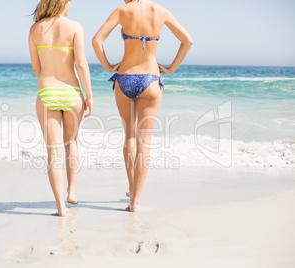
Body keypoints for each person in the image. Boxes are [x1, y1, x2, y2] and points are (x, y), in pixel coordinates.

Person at [92, 0, 192, 212]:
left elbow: (96, 41)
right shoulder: (160, 11)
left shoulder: (122, 11)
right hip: (151, 79)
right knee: (144, 142)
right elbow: (187, 41)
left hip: (125, 77)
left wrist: (108, 65)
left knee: (129, 136)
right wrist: (171, 69)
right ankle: (135, 200)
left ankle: (130, 187)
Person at [29, 0, 93, 216]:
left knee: (52, 152)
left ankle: (60, 208)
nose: (72, 4)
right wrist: (89, 95)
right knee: (71, 142)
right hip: (72, 92)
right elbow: (82, 64)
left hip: (47, 91)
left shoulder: (35, 29)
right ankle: (72, 191)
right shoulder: (75, 26)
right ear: (62, 2)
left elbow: (36, 67)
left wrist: (49, 82)